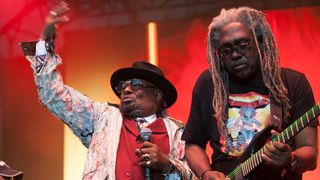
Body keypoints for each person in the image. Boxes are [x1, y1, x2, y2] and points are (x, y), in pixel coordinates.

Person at [21, 2, 194, 180]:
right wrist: (45, 44)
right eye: (123, 86)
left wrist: (167, 165)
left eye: (135, 84)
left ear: (157, 95)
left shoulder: (178, 133)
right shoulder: (101, 118)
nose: (126, 89)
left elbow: (193, 176)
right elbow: (53, 94)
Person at [181, 7, 318, 180]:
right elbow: (193, 144)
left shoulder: (292, 82)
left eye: (243, 45)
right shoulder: (208, 84)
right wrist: (205, 173)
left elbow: (310, 152)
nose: (235, 54)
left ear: (260, 43)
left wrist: (291, 159)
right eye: (226, 50)